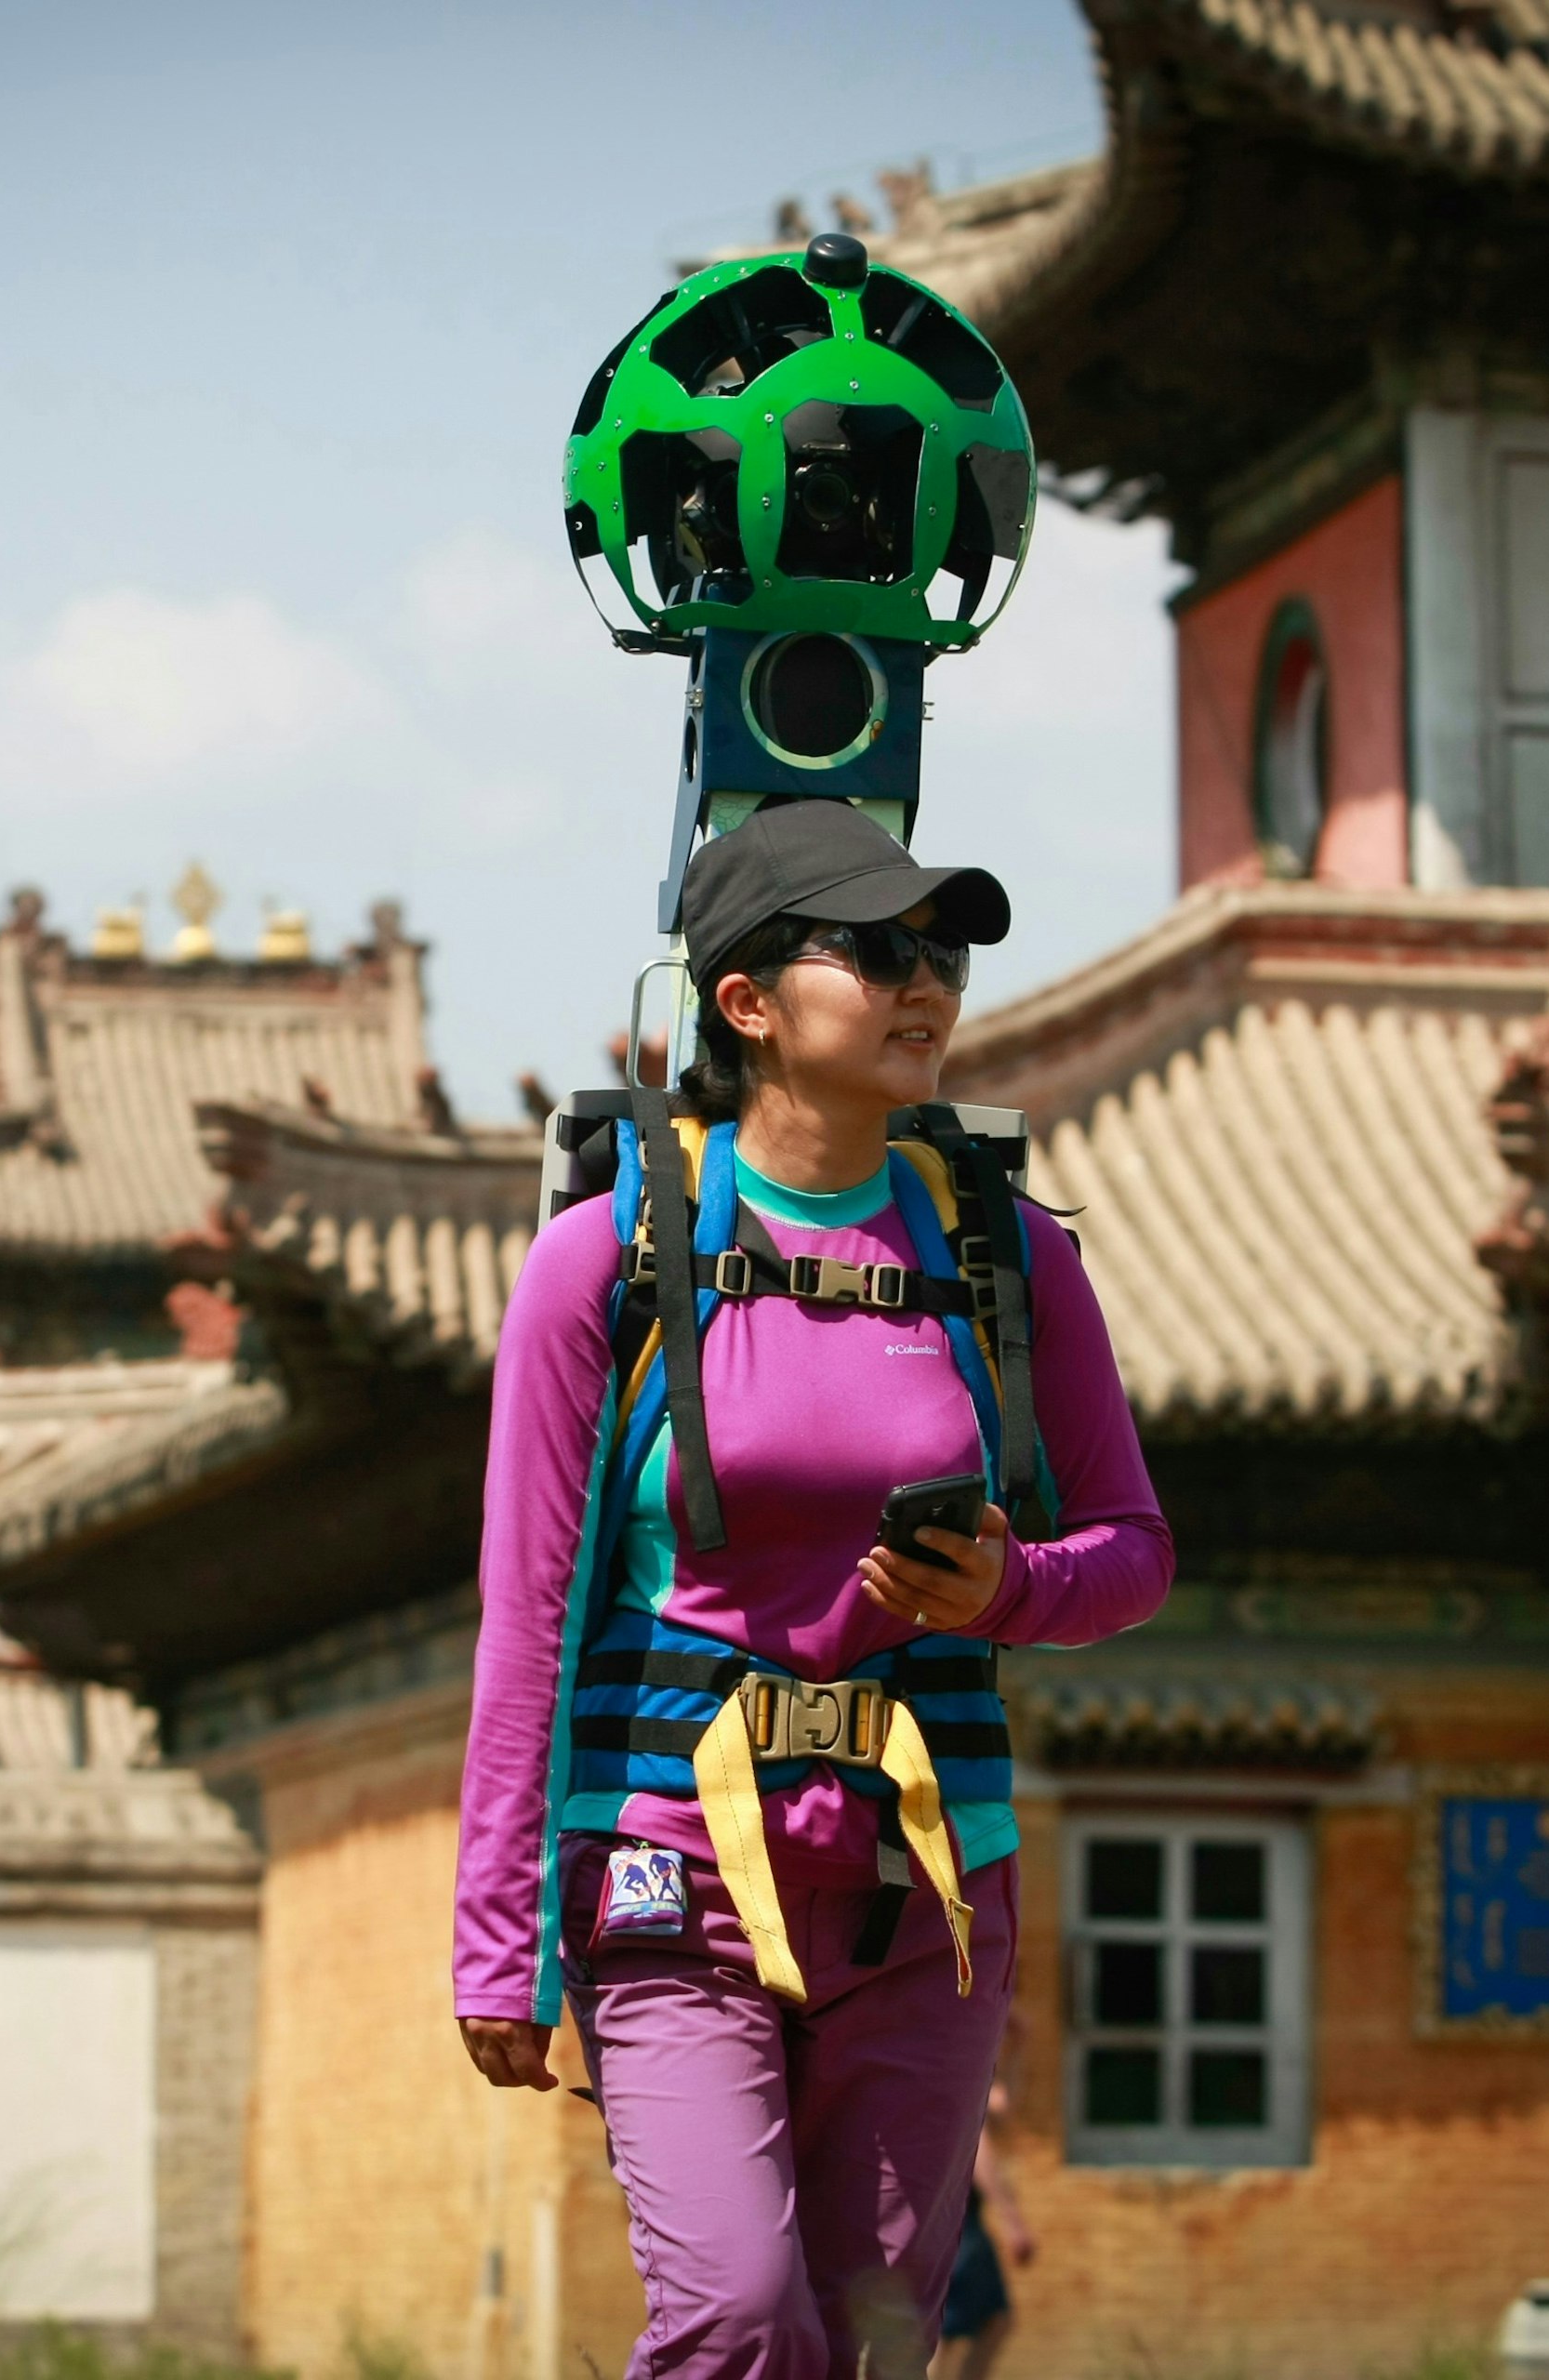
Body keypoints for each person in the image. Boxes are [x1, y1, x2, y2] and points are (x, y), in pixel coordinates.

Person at [452, 802, 1175, 2380]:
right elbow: (531, 1614)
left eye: (948, 953)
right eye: (880, 949)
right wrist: (497, 1940)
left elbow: (1130, 1550)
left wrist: (1002, 1589)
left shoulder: (1008, 1259)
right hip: (664, 1866)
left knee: (871, 2335)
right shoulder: (608, 1259)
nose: (928, 984)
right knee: (733, 2313)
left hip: (930, 1880)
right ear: (747, 1001)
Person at [932, 2064, 1036, 2380]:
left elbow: (1003, 2104)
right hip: (956, 2224)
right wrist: (1012, 2220)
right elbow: (979, 2145)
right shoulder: (957, 2059)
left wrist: (1018, 2045)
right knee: (941, 2332)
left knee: (995, 2320)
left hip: (961, 2222)